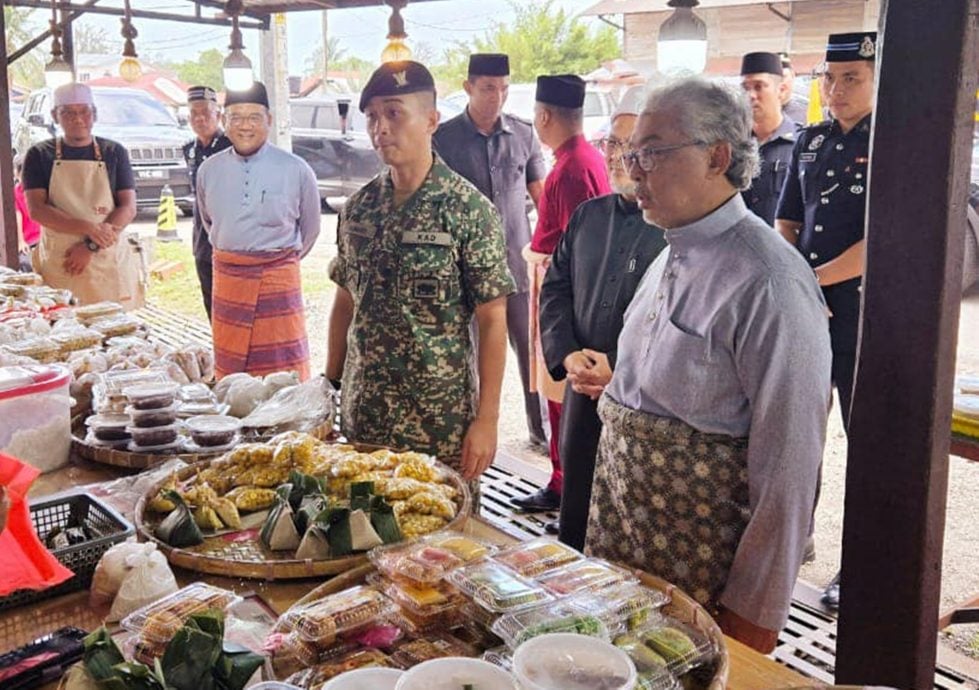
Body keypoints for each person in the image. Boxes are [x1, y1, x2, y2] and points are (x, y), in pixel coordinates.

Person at [585, 77, 831, 653]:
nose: (633, 169)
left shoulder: (769, 281)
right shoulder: (667, 252)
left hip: (700, 585)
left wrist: (754, 618)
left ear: (718, 156)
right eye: (628, 154)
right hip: (623, 557)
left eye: (651, 152)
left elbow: (790, 470)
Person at [326, 61, 514, 483]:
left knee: (442, 545)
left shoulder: (468, 211)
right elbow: (345, 301)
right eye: (372, 117)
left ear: (431, 120)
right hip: (365, 419)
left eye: (394, 113)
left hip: (438, 425)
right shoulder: (358, 210)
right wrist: (330, 386)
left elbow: (492, 319)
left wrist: (487, 420)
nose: (381, 128)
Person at [539, 89, 668, 549]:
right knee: (577, 502)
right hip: (582, 392)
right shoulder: (588, 216)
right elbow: (555, 289)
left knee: (632, 520)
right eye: (612, 144)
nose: (618, 157)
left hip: (643, 403)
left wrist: (619, 367)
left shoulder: (673, 228)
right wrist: (568, 354)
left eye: (631, 146)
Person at [775, 32, 877, 609]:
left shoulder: (891, 142)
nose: (836, 91)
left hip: (859, 313)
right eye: (829, 79)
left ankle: (859, 565)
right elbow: (786, 222)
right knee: (797, 438)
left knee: (863, 443)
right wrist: (797, 284)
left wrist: (812, 284)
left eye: (851, 79)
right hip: (810, 312)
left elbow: (881, 240)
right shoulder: (808, 141)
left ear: (875, 78)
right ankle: (792, 547)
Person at [433, 53, 548, 448]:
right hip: (462, 273)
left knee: (529, 352)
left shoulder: (524, 134)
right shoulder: (443, 139)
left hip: (515, 266)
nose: (496, 97)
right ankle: (471, 431)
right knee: (467, 357)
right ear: (468, 87)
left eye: (503, 88)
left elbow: (541, 197)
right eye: (487, 88)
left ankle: (540, 432)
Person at [513, 74, 612, 513]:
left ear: (544, 116)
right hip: (560, 283)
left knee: (560, 393)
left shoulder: (573, 168)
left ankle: (565, 485)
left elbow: (576, 248)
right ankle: (563, 481)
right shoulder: (581, 159)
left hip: (562, 290)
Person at [196, 81, 320, 381]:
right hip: (229, 282)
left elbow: (311, 230)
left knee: (283, 373)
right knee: (232, 377)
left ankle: (288, 424)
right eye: (236, 117)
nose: (245, 126)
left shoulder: (296, 168)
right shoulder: (208, 170)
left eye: (254, 117)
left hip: (278, 281)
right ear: (224, 121)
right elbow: (208, 222)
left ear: (270, 120)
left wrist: (273, 264)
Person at [22, 82, 144, 308]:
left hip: (106, 254)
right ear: (55, 116)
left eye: (84, 112)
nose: (78, 119)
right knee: (63, 323)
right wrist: (89, 227)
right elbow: (38, 210)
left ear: (94, 114)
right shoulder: (39, 155)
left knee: (114, 327)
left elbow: (127, 207)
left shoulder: (114, 152)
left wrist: (90, 245)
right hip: (62, 257)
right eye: (68, 113)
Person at [182, 85, 232, 320]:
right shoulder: (189, 149)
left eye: (206, 112)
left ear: (219, 115)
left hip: (227, 237)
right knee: (211, 304)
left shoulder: (230, 146)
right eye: (194, 113)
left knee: (230, 306)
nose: (200, 118)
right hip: (202, 239)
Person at [740, 52, 798, 226]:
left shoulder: (800, 145)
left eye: (759, 86)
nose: (750, 95)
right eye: (745, 88)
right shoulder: (732, 146)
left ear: (781, 90)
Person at [12, 156, 40, 272]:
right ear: (17, 175)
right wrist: (21, 241)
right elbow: (17, 216)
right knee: (26, 263)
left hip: (42, 238)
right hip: (28, 240)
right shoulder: (15, 193)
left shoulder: (40, 191)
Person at [779, 52, 809, 124]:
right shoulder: (752, 113)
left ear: (793, 75)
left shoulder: (808, 112)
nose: (779, 83)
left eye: (783, 77)